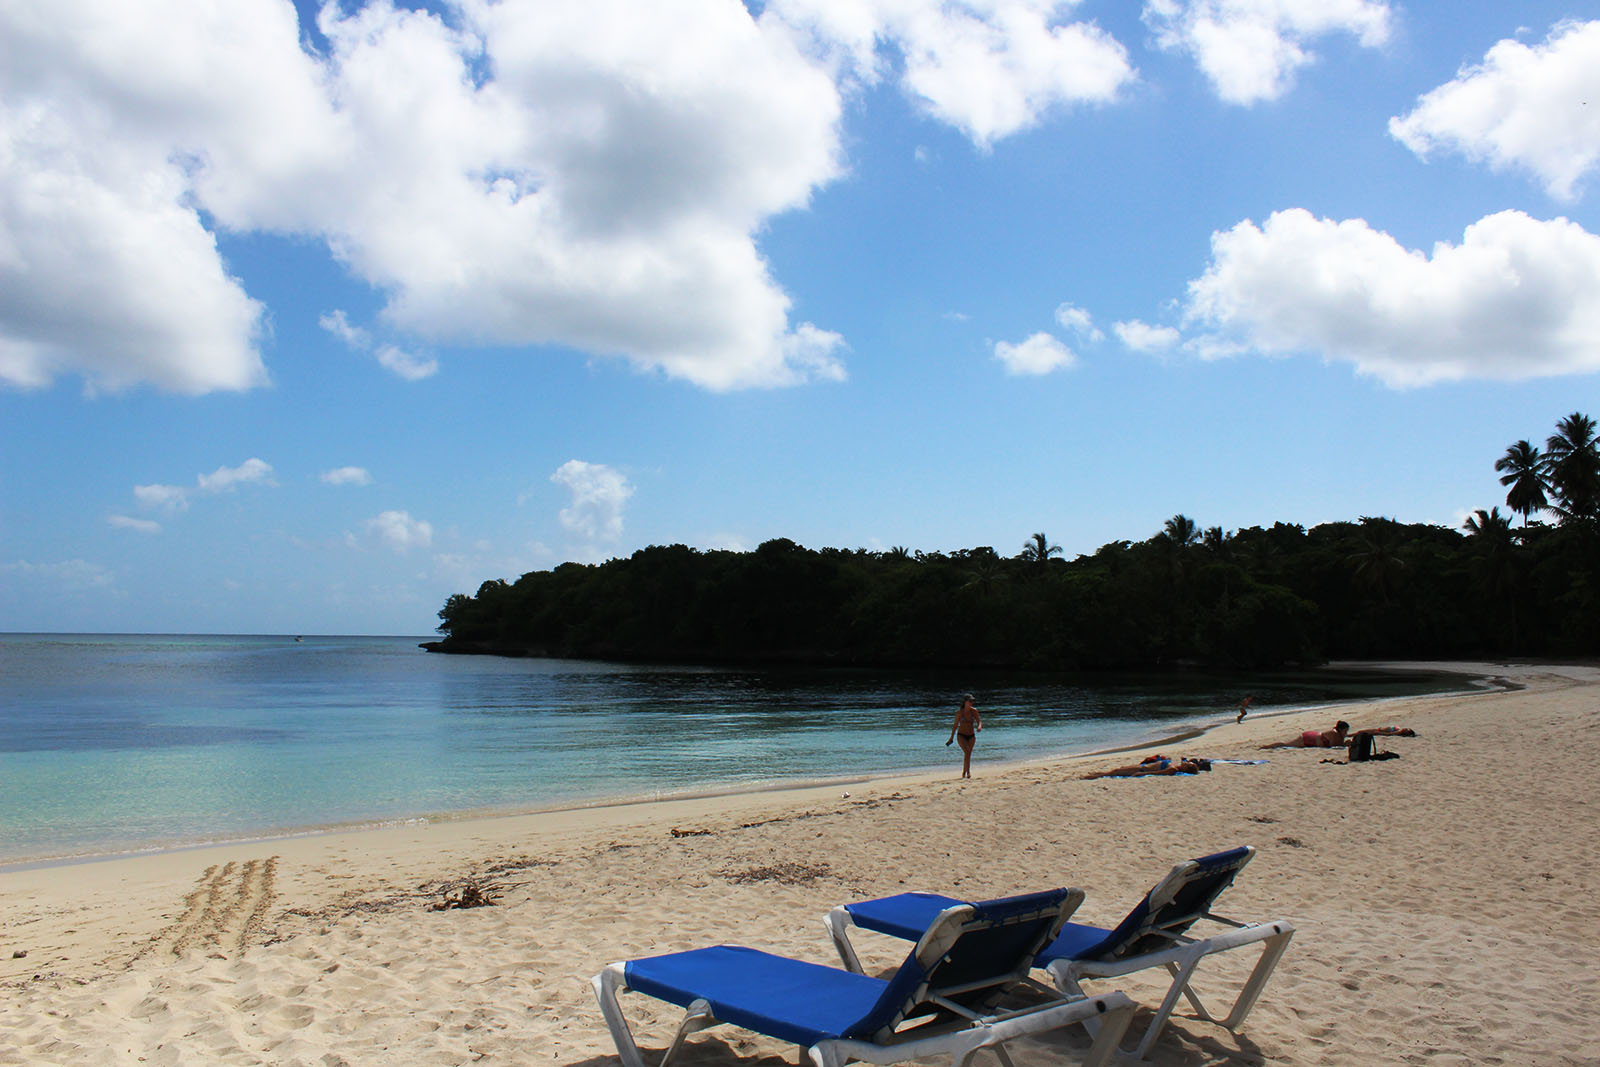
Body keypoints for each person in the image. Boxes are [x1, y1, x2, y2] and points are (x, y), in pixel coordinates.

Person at [1082, 755, 1212, 779]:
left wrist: (1140, 774)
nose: (1186, 762)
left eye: (1187, 764)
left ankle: (1088, 777)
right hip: (1143, 767)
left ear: (1186, 769)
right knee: (1115, 770)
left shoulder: (1174, 769)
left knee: (1115, 772)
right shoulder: (1177, 766)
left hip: (1142, 770)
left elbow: (1159, 773)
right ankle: (1095, 774)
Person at [946, 694, 982, 779]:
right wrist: (951, 738)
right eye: (970, 701)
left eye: (973, 701)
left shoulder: (974, 711)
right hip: (961, 735)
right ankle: (966, 772)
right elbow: (955, 726)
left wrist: (979, 727)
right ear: (965, 702)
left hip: (971, 735)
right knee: (967, 751)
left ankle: (965, 772)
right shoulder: (959, 712)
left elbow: (979, 721)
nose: (971, 703)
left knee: (969, 753)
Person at [1260, 720, 1350, 749]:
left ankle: (1267, 747)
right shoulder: (1335, 734)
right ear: (1341, 730)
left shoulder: (1336, 733)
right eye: (1345, 731)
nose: (1346, 733)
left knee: (1287, 744)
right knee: (1286, 744)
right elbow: (1335, 746)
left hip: (1312, 736)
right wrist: (1345, 744)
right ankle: (1266, 747)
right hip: (1310, 739)